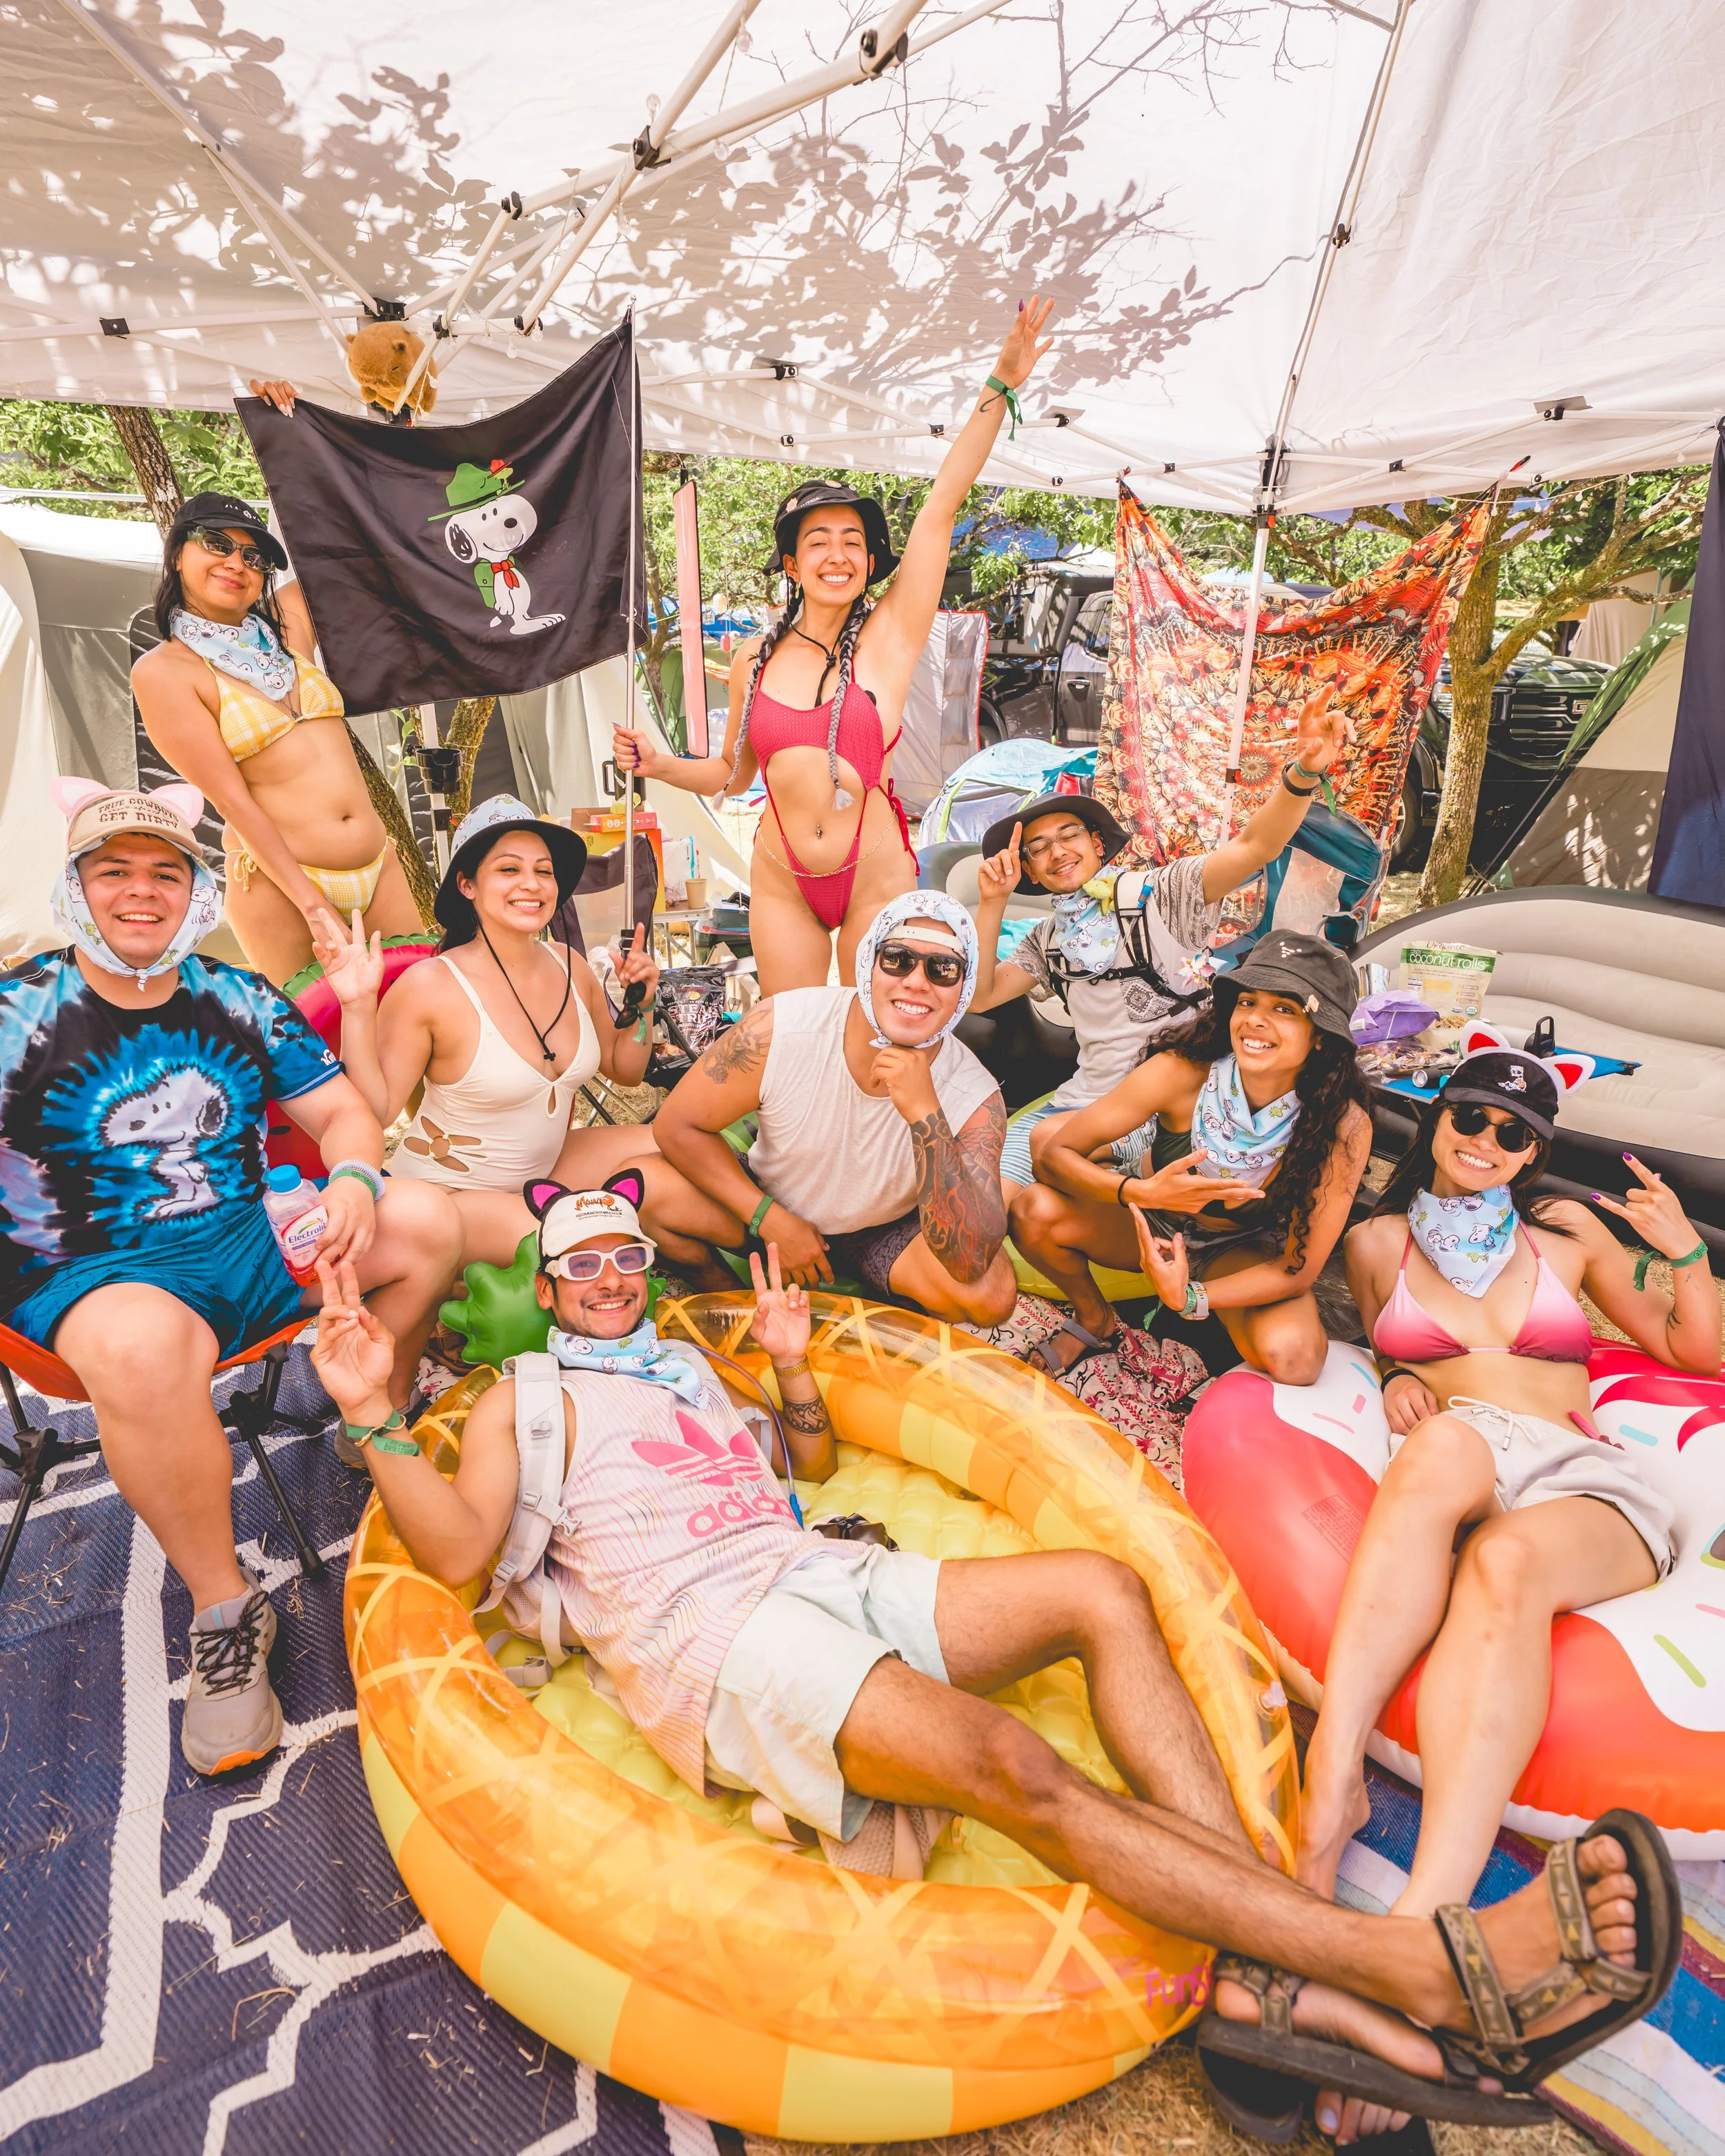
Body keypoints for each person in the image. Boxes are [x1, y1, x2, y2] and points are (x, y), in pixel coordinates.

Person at [308, 1171, 1678, 2128]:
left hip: (815, 1567)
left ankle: (1271, 1974)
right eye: (584, 1264)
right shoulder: (522, 1396)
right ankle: (1405, 1967)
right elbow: (458, 1554)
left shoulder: (687, 1366)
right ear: (549, 1287)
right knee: (1015, 1766)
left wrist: (791, 1367)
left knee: (1098, 1587)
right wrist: (374, 1416)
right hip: (713, 1630)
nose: (610, 1278)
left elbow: (810, 1466)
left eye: (626, 1257)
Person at [0, 782, 462, 1775]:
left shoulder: (237, 994)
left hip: (251, 1238)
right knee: (141, 1345)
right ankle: (224, 1606)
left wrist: (354, 1179)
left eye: (164, 872)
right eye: (113, 871)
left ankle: (367, 1418)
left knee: (427, 1220)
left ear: (194, 891)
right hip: (96, 1271)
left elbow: (345, 1112)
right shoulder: (14, 1010)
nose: (141, 890)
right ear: (75, 886)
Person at [1298, 1048, 1714, 1919]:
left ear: (1533, 1153)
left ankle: (1426, 1909)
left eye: (1512, 1133)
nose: (1485, 1141)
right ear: (1439, 1117)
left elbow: (1693, 1349)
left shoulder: (1568, 1233)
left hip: (1577, 1473)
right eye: (1470, 1117)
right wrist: (1390, 1376)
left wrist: (1683, 1249)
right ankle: (1332, 1777)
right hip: (1467, 1453)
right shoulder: (1378, 1241)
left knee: (1506, 1561)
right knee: (1441, 1444)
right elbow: (1384, 1343)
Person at [610, 299, 1056, 995]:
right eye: (818, 541)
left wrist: (999, 385)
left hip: (873, 870)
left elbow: (941, 504)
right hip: (782, 874)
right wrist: (661, 764)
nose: (838, 554)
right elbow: (731, 774)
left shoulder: (890, 636)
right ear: (792, 564)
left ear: (870, 561)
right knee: (792, 1030)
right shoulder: (754, 657)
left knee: (872, 1028)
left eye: (853, 541)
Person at [969, 688, 1346, 1191]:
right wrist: (992, 902)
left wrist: (1303, 773)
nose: (1057, 852)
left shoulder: (1164, 893)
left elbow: (1256, 846)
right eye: (1038, 848)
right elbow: (980, 996)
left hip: (1168, 1107)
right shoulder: (1047, 939)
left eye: (1069, 835)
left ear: (1097, 843)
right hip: (1081, 1101)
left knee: (1055, 1160)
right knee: (990, 1193)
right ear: (1030, 871)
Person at [314, 795, 664, 1269]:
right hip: (448, 1196)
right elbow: (373, 1113)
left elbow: (626, 1070)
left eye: (544, 871)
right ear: (467, 885)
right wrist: (357, 1007)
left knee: (672, 1149)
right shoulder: (430, 985)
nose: (531, 884)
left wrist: (643, 1005)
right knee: (584, 1243)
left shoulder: (570, 963)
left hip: (542, 1173)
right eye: (509, 869)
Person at [633, 892, 1015, 1325]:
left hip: (884, 1230)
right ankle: (739, 1309)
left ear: (964, 987)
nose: (916, 982)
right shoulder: (782, 1026)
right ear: (869, 963)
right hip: (770, 1200)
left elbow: (971, 1259)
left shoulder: (973, 1092)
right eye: (897, 959)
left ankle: (885, 1314)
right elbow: (677, 1125)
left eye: (943, 969)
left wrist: (926, 1115)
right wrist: (767, 1218)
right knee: (642, 1188)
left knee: (990, 1294)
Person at [1011, 931, 1370, 1379]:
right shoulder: (1181, 1070)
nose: (1256, 1020)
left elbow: (1297, 1269)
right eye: (1248, 1002)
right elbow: (1053, 1156)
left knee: (1295, 1358)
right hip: (1148, 1222)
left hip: (1238, 1246)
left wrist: (1190, 1296)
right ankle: (1094, 1317)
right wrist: (1140, 1192)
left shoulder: (1342, 1124)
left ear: (1321, 1036)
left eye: (1285, 1009)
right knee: (1033, 1211)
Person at [130, 490, 423, 986]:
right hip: (281, 886)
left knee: (419, 1013)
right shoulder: (165, 671)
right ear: (177, 554)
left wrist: (307, 435)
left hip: (379, 866)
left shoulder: (286, 630)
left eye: (254, 557)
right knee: (317, 1030)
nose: (236, 563)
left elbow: (348, 546)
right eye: (216, 543)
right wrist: (312, 905)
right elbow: (233, 801)